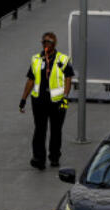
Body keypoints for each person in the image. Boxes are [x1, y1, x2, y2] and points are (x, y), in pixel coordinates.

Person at [19, 31, 74, 170]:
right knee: (39, 130)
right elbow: (30, 80)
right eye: (44, 42)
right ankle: (39, 159)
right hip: (39, 101)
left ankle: (54, 157)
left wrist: (65, 99)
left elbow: (68, 79)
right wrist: (23, 99)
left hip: (58, 101)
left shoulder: (63, 59)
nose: (46, 44)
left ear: (54, 44)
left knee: (56, 130)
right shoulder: (36, 59)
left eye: (49, 42)